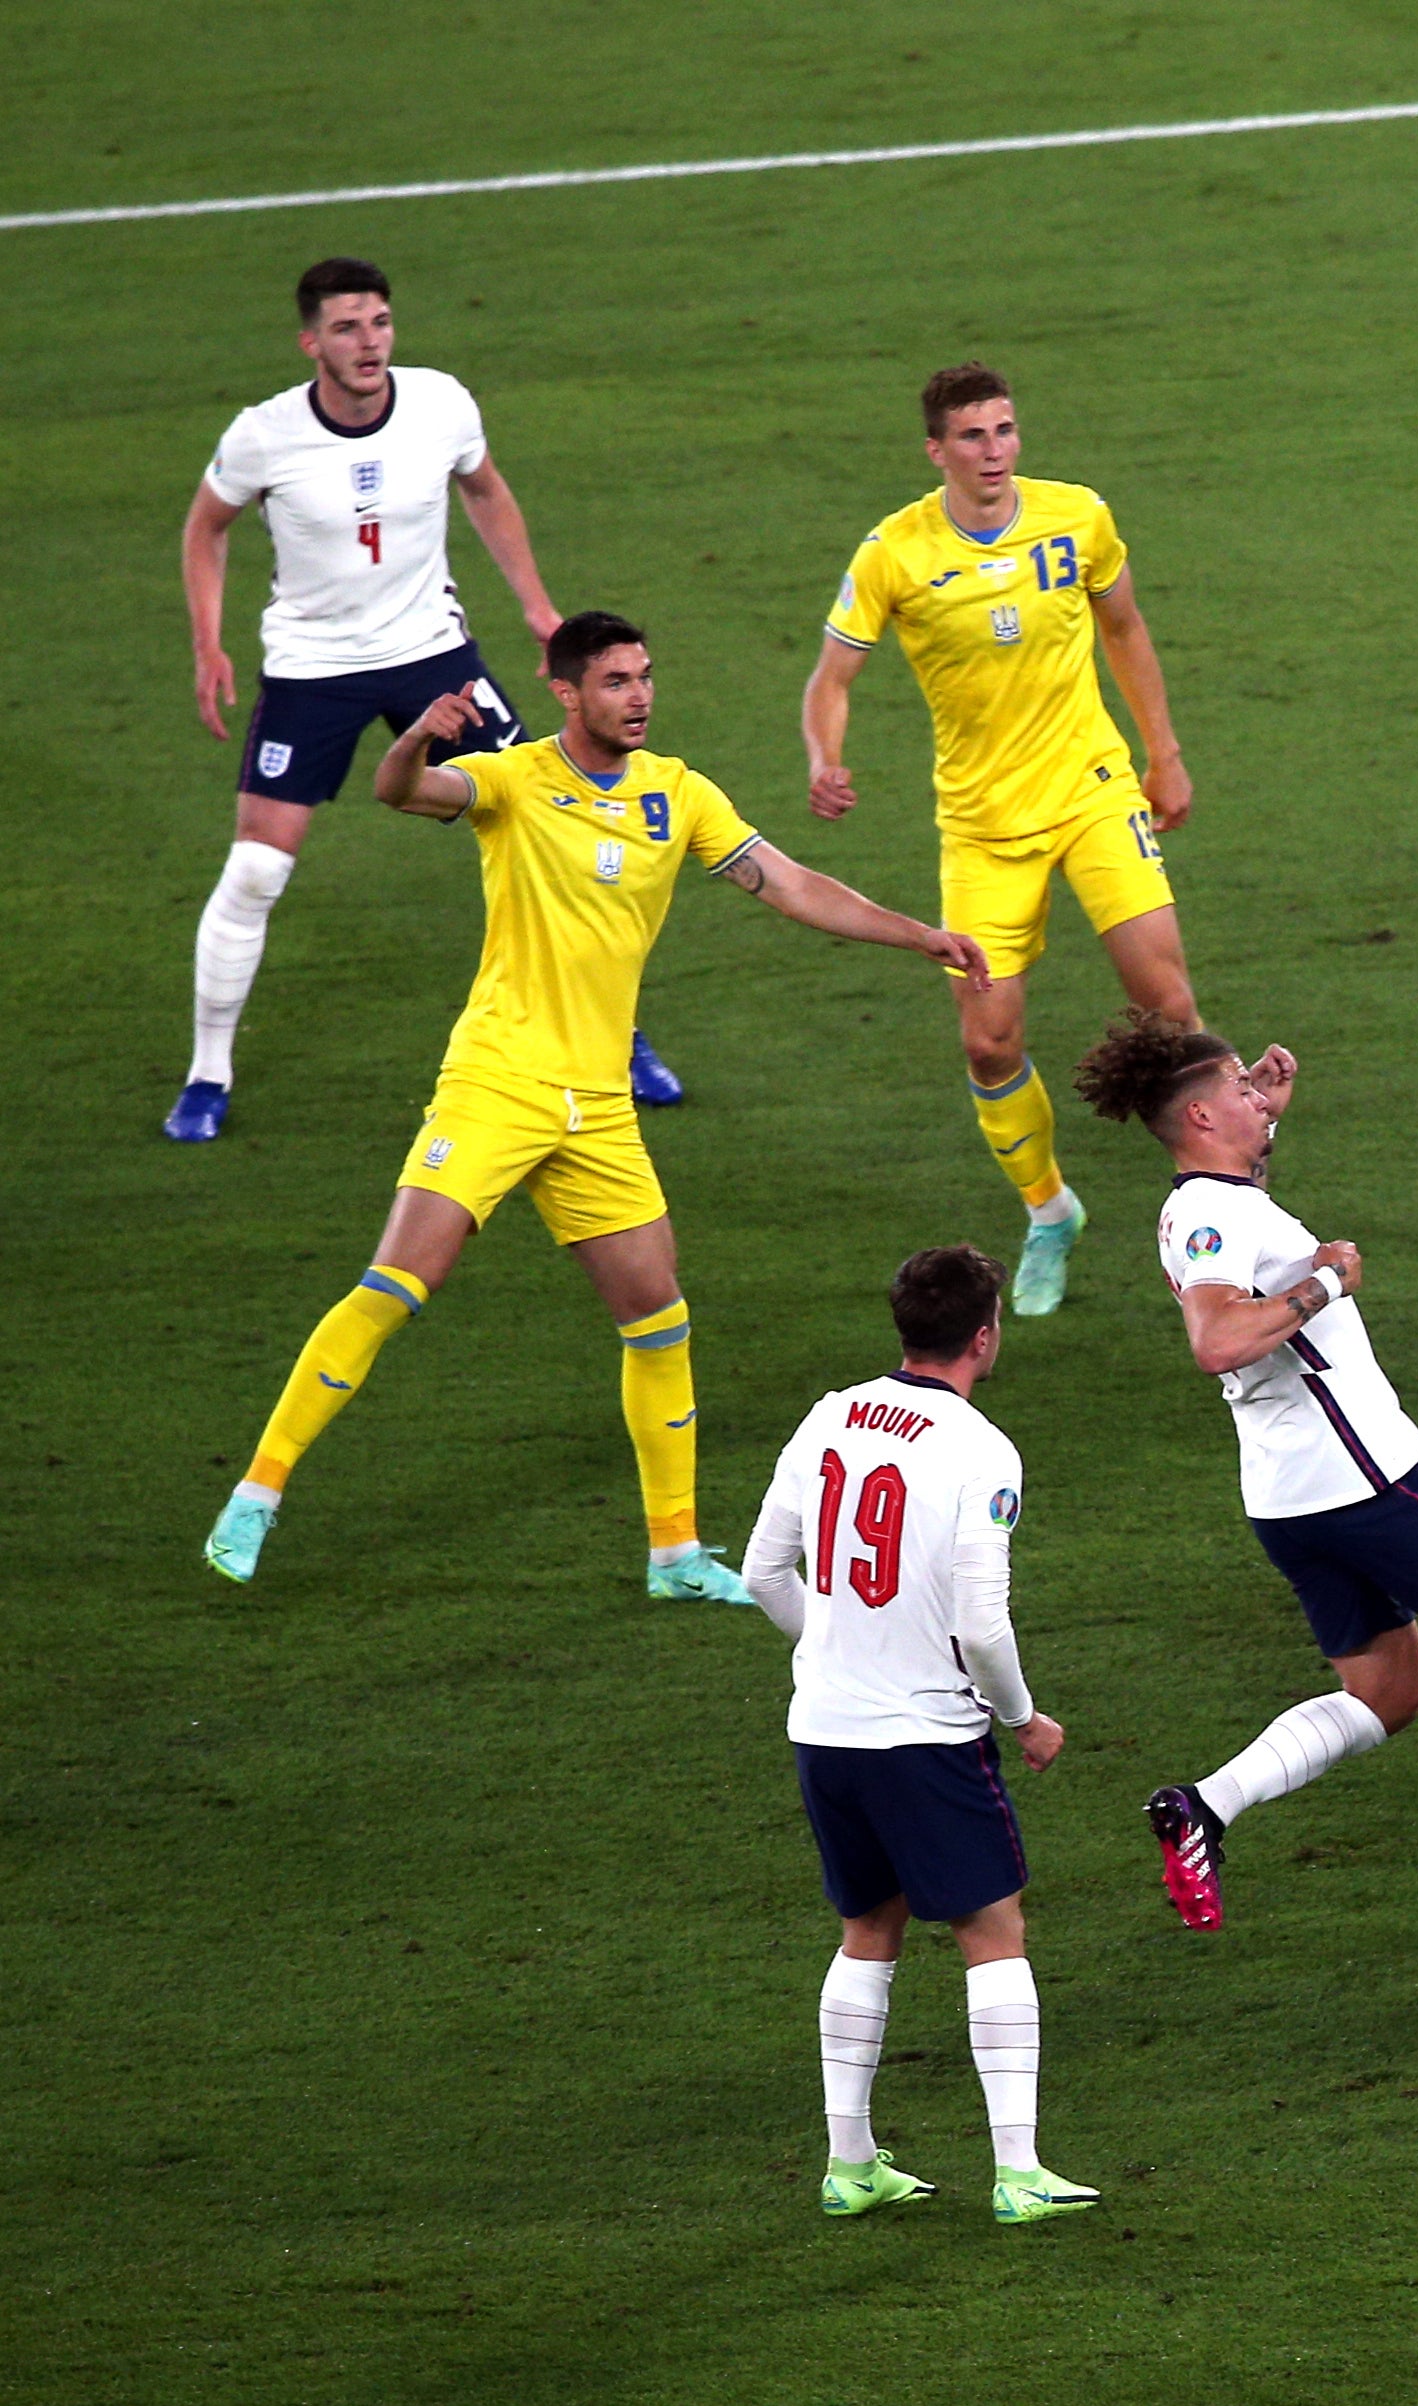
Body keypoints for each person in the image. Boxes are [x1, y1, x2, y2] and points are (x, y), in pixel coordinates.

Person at [201, 611, 984, 1595]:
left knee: (657, 1314)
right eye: (616, 681)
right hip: (498, 1079)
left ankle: (674, 1554)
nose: (640, 696)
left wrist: (920, 935)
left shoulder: (677, 791)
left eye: (645, 676)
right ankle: (258, 1494)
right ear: (567, 690)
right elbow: (398, 790)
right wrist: (412, 738)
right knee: (399, 1282)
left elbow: (788, 883)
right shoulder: (514, 779)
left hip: (597, 1105)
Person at [1066, 1012, 1418, 1927]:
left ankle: (1203, 1805)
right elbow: (1216, 1341)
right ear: (1201, 1118)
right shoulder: (1214, 1214)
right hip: (1364, 1481)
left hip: (1291, 1494)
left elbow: (1239, 1207)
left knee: (1387, 1693)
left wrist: (1264, 1116)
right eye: (1239, 1090)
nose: (1258, 1094)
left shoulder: (1204, 1202)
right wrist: (1324, 1279)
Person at [172, 256, 683, 1140]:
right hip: (312, 666)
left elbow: (484, 489)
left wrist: (536, 606)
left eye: (378, 322)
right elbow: (205, 525)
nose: (367, 342)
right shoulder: (264, 434)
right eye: (345, 327)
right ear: (311, 343)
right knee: (257, 867)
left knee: (556, 837)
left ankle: (617, 1039)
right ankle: (206, 1077)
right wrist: (207, 640)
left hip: (432, 655)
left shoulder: (443, 403)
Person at [803, 362, 1200, 1315]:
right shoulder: (895, 553)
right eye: (973, 437)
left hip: (1093, 788)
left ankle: (1217, 1197)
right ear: (936, 450)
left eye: (1006, 431)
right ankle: (1050, 1210)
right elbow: (830, 678)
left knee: (1170, 1004)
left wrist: (1164, 753)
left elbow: (1126, 627)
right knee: (988, 1043)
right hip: (982, 827)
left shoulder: (1077, 517)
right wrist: (825, 757)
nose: (994, 452)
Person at [745, 1244, 1098, 2225]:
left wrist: (833, 1645)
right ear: (985, 1334)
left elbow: (766, 1572)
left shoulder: (828, 1414)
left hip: (823, 1727)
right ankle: (1020, 2172)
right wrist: (1023, 1720)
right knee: (994, 1930)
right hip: (924, 1737)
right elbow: (983, 1627)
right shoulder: (981, 1448)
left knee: (869, 1926)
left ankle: (848, 2162)